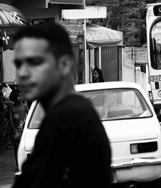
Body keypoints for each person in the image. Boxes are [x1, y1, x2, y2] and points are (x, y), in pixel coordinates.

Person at [12, 23, 111, 188]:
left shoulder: (67, 118)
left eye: (34, 62)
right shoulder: (75, 112)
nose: (22, 73)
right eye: (18, 64)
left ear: (64, 65)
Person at [8, 90, 27, 171]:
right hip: (15, 130)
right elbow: (10, 119)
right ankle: (18, 164)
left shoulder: (24, 106)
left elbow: (29, 115)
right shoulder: (11, 107)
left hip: (24, 130)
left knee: (23, 147)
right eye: (19, 96)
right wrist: (13, 128)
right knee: (16, 147)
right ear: (14, 98)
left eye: (22, 95)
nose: (21, 97)